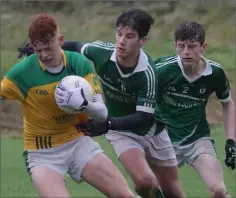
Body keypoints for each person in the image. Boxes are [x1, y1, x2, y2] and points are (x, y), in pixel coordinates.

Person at [17, 9, 186, 198]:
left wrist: (107, 124)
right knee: (144, 182)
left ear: (142, 41)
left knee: (174, 191)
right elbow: (73, 46)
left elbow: (144, 117)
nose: (122, 41)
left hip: (150, 129)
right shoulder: (102, 52)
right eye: (119, 34)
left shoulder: (148, 73)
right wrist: (39, 47)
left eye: (129, 36)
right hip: (120, 131)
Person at [1, 13, 135, 198]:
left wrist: (84, 105)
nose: (44, 55)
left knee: (126, 196)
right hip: (42, 153)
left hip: (79, 143)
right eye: (38, 50)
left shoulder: (78, 63)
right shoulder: (23, 72)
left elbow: (102, 114)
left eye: (48, 47)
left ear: (61, 40)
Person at [154, 21, 235, 198]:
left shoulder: (215, 73)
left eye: (191, 46)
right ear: (175, 45)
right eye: (181, 46)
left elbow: (228, 103)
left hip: (197, 139)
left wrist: (231, 141)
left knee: (219, 190)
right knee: (154, 191)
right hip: (164, 141)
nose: (186, 52)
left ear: (203, 47)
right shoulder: (162, 70)